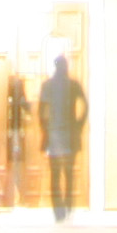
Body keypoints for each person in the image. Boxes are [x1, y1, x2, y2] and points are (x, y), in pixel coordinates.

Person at [37, 48, 88, 222]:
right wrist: (78, 125)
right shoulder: (73, 85)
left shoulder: (48, 85)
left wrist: (45, 129)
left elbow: (41, 111)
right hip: (70, 135)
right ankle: (68, 207)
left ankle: (58, 211)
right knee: (68, 173)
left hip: (54, 136)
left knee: (56, 174)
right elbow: (85, 106)